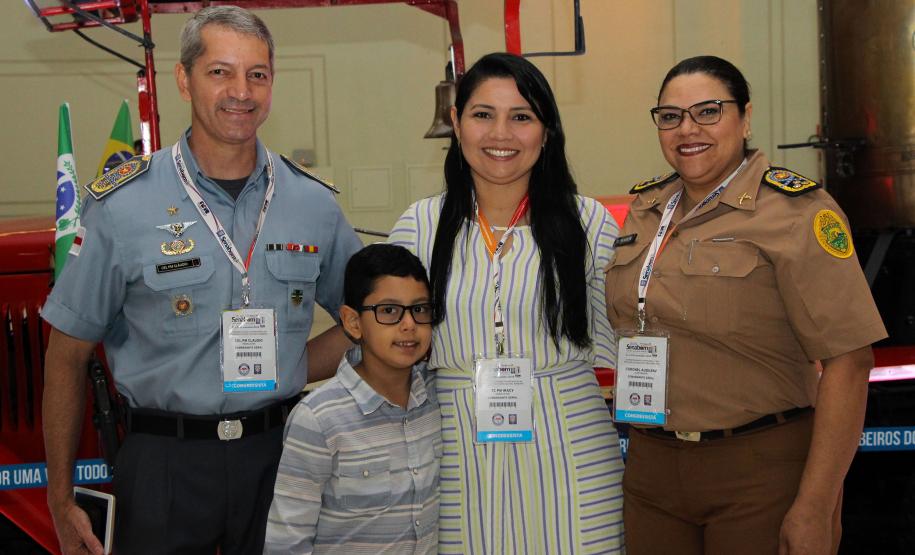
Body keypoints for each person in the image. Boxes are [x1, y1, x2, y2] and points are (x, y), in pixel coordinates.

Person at [40, 6, 361, 554]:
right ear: (184, 80)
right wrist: (59, 496)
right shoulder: (122, 205)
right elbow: (67, 354)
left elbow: (367, 319)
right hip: (164, 465)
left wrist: (287, 365)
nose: (241, 92)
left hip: (280, 456)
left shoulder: (313, 203)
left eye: (257, 74)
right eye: (220, 72)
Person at [605, 55, 887, 554]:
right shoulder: (645, 211)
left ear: (746, 117)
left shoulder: (796, 212)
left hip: (758, 468)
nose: (687, 129)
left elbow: (850, 362)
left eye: (708, 111)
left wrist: (816, 505)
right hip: (651, 469)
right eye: (670, 116)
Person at [389, 52, 625, 553]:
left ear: (547, 131)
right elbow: (390, 349)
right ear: (456, 122)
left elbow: (620, 341)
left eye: (521, 116)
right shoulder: (420, 227)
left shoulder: (590, 223)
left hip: (574, 445)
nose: (501, 134)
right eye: (483, 115)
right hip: (455, 448)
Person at [265, 244, 441, 554]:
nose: (409, 324)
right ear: (352, 322)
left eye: (420, 309)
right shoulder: (318, 419)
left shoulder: (438, 397)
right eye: (389, 311)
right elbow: (287, 542)